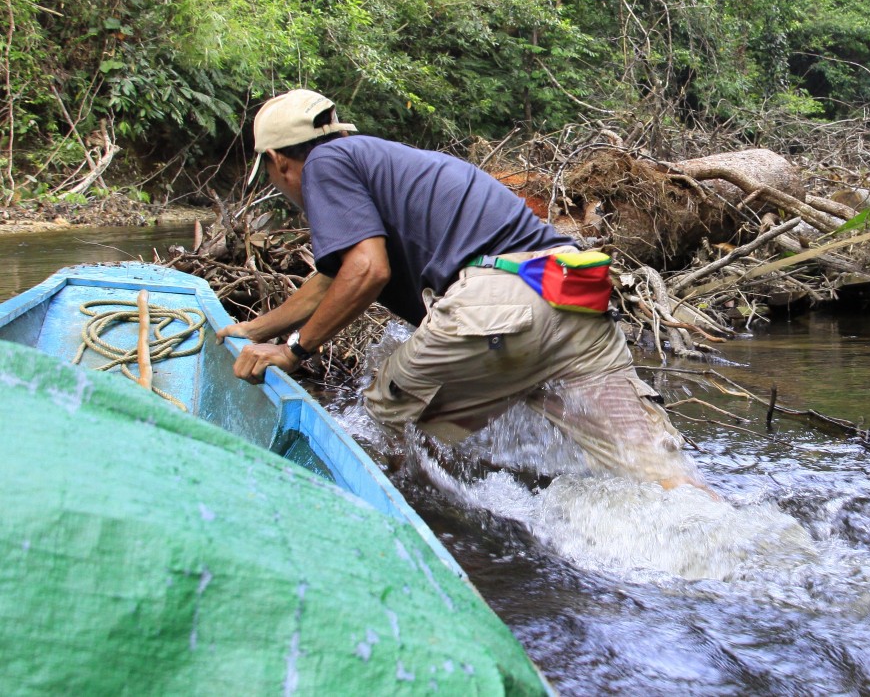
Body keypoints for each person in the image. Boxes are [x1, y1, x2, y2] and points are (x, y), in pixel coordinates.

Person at [217, 88, 715, 495]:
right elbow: (331, 280)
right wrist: (255, 328)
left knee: (383, 411)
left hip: (504, 300)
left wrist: (295, 350)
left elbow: (366, 272)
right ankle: (727, 535)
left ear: (280, 162)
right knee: (655, 472)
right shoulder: (377, 162)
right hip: (573, 294)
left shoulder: (325, 164)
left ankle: (416, 518)